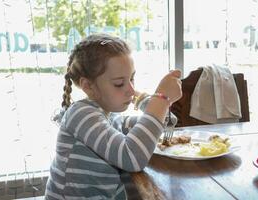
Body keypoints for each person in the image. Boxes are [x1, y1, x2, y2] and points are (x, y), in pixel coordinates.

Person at [45, 33, 182, 200]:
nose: (131, 89)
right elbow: (132, 157)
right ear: (88, 86)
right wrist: (161, 98)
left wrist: (143, 99)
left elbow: (166, 121)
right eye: (119, 83)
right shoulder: (81, 115)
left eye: (132, 79)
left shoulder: (112, 119)